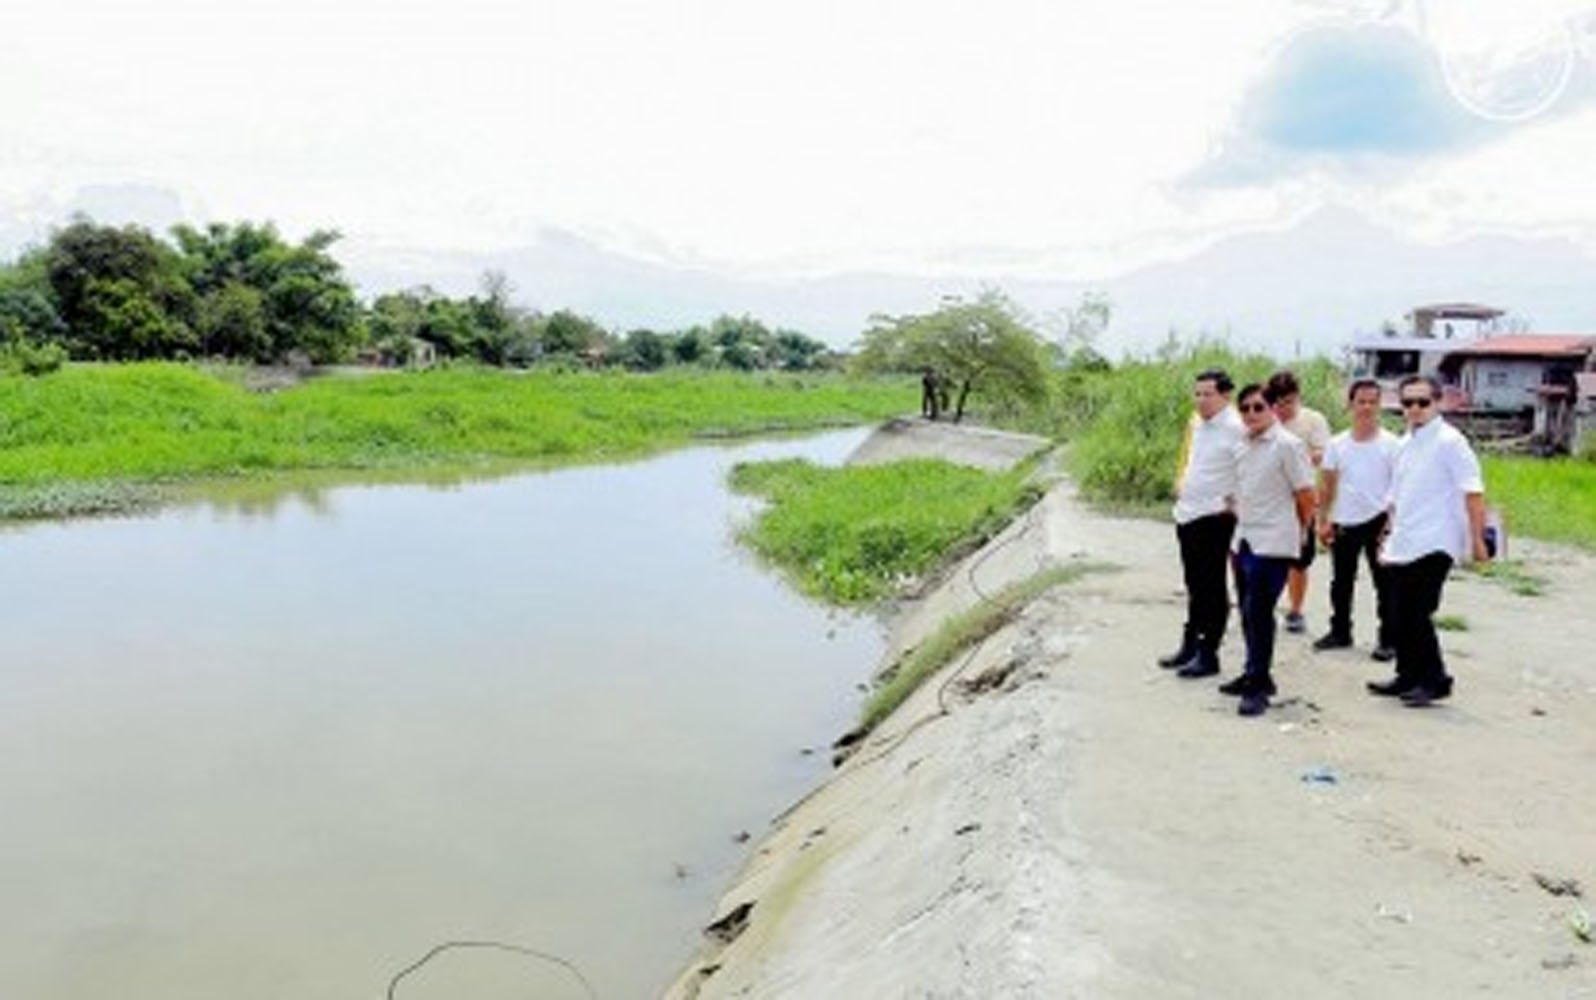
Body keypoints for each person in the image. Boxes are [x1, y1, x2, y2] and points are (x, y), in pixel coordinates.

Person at [1368, 374, 1489, 707]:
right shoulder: (1405, 443)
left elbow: (1473, 491)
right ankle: (1407, 675)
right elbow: (1396, 496)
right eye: (1408, 402)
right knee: (1397, 613)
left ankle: (1435, 680)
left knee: (1417, 613)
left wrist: (1478, 539)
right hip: (1405, 539)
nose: (1415, 408)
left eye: (1423, 402)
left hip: (1437, 540)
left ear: (1438, 402)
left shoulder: (1450, 442)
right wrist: (1386, 535)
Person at [1215, 382, 1316, 717]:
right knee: (1246, 611)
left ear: (1273, 409)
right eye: (1244, 408)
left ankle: (1258, 686)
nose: (1251, 414)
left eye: (1258, 407)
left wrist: (1301, 533)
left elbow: (1306, 495)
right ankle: (1254, 672)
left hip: (1273, 541)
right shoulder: (1241, 444)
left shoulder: (1287, 445)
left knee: (1259, 612)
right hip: (1244, 538)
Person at [1160, 368, 1243, 677]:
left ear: (1225, 395)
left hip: (1215, 516)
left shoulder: (1236, 427)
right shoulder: (1196, 422)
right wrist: (1180, 484)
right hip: (1188, 512)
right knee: (1194, 584)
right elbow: (1190, 459)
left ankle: (1209, 653)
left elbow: (1247, 468)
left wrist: (1234, 503)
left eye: (1208, 394)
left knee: (1212, 585)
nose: (1201, 400)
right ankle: (1190, 645)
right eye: (1197, 394)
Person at [1314, 378, 1399, 658]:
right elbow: (1327, 486)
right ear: (1350, 404)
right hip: (1345, 518)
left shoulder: (1392, 445)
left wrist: (1393, 522)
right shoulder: (1337, 444)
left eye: (1373, 402)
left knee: (1385, 583)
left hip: (1380, 519)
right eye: (1361, 401)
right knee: (1341, 581)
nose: (1366, 407)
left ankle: (1388, 639)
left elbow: (1399, 487)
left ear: (1380, 405)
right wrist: (1323, 520)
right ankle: (1340, 631)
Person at [1267, 370, 1331, 634]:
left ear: (1297, 397)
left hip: (1302, 496)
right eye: (1278, 403)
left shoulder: (1312, 420)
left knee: (1299, 559)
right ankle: (1263, 605)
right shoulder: (1264, 417)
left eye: (1289, 402)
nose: (1283, 409)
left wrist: (1295, 456)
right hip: (1269, 498)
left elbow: (1322, 453)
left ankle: (1295, 610)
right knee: (1266, 555)